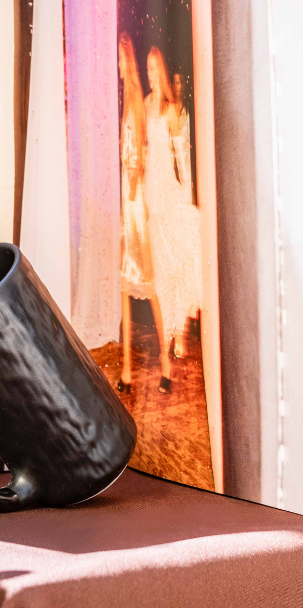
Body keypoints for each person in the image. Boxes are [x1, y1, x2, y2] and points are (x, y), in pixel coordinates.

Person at [117, 34, 170, 394]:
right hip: (128, 201)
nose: (118, 66)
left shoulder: (135, 99)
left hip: (135, 205)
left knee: (146, 284)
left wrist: (135, 196)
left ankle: (164, 362)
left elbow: (139, 154)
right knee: (125, 283)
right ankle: (126, 369)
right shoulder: (128, 99)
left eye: (120, 59)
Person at [144, 48, 203, 369]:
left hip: (170, 189)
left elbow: (182, 157)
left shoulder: (170, 110)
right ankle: (166, 333)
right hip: (152, 193)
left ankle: (180, 332)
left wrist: (189, 195)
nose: (151, 75)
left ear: (162, 72)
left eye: (155, 70)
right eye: (148, 70)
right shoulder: (144, 105)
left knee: (178, 260)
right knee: (161, 266)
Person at [172, 71, 193, 201]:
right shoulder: (170, 108)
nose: (177, 87)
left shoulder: (189, 108)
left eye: (179, 83)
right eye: (174, 83)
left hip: (187, 162)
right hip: (173, 160)